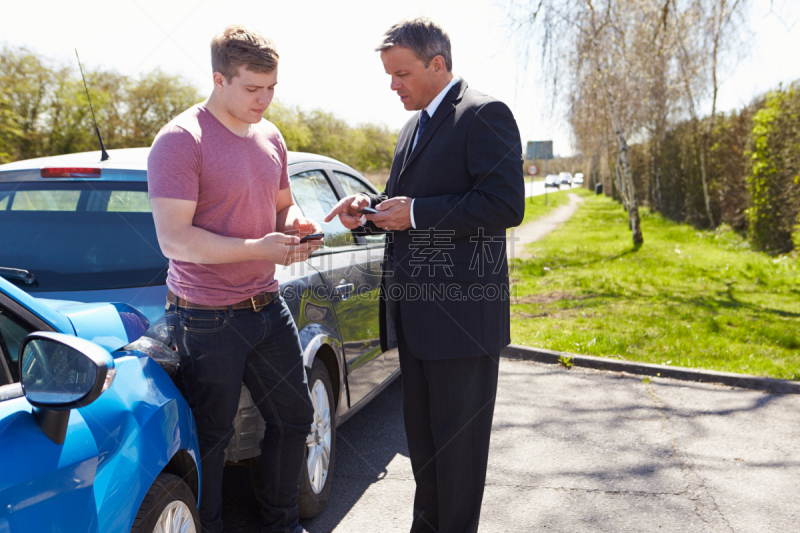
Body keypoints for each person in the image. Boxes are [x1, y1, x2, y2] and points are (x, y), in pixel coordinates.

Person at [325, 17, 525, 533]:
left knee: (458, 463)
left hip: (462, 325)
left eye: (402, 74)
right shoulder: (412, 126)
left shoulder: (484, 114)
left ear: (438, 65)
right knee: (427, 454)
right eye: (390, 75)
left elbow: (504, 203)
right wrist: (366, 209)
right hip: (414, 323)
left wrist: (414, 214)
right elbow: (405, 202)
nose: (393, 85)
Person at [147, 24, 319, 533]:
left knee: (294, 418)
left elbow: (283, 209)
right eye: (252, 89)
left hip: (267, 307)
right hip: (205, 318)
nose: (263, 100)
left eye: (271, 89)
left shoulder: (271, 135)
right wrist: (259, 247)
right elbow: (175, 241)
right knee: (211, 441)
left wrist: (296, 228)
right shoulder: (182, 140)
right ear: (219, 78)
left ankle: (281, 523)